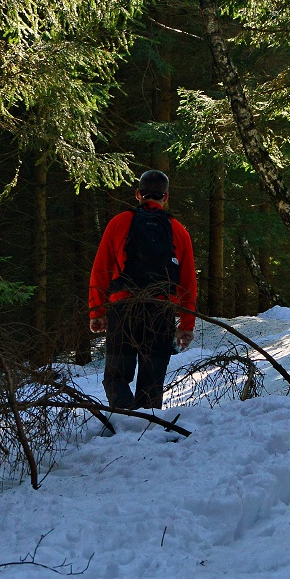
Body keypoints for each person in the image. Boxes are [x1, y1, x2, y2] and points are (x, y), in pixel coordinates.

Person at [88, 169, 197, 411]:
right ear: (165, 197)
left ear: (138, 194)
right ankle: (147, 433)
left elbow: (100, 270)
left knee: (116, 377)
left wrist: (97, 311)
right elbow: (187, 282)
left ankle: (126, 422)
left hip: (123, 309)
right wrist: (186, 325)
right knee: (151, 384)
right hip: (161, 311)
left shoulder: (118, 223)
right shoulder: (178, 230)